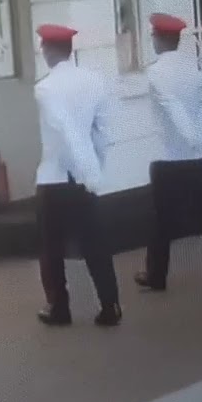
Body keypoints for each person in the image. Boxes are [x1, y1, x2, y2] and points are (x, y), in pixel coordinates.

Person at [135, 13, 202, 293]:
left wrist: (189, 137)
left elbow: (172, 105)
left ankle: (157, 275)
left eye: (154, 36)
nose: (153, 40)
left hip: (168, 155)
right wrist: (196, 142)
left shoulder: (156, 72)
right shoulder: (192, 68)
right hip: (194, 156)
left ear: (160, 38)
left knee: (159, 217)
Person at [33, 23, 122, 327]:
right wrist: (95, 169)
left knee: (51, 248)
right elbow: (102, 131)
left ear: (47, 50)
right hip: (86, 179)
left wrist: (84, 168)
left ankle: (59, 307)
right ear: (70, 51)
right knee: (96, 244)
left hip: (54, 178)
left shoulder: (44, 88)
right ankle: (110, 305)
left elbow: (65, 130)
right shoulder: (93, 81)